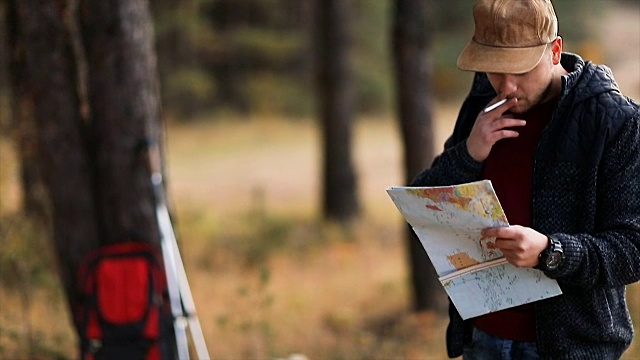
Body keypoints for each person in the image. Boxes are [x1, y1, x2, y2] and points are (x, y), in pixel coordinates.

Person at [410, 0, 640, 359]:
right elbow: (426, 200)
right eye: (494, 70)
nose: (507, 86)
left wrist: (551, 251)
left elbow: (632, 249)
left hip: (570, 348)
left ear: (555, 51)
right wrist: (469, 153)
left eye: (519, 70)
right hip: (482, 337)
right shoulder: (483, 102)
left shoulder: (616, 123)